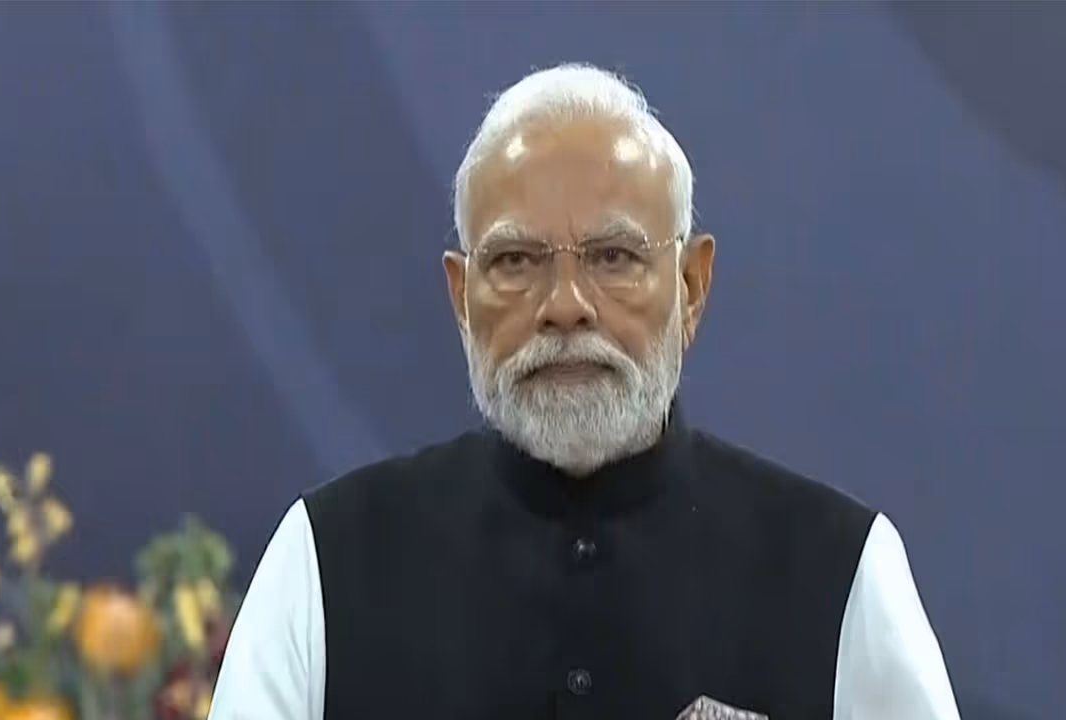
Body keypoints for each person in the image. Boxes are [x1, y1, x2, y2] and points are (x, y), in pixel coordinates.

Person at [207, 63, 961, 720]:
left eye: (613, 256)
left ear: (691, 286)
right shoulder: (325, 565)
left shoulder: (838, 574)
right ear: (461, 296)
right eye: (515, 260)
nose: (565, 305)